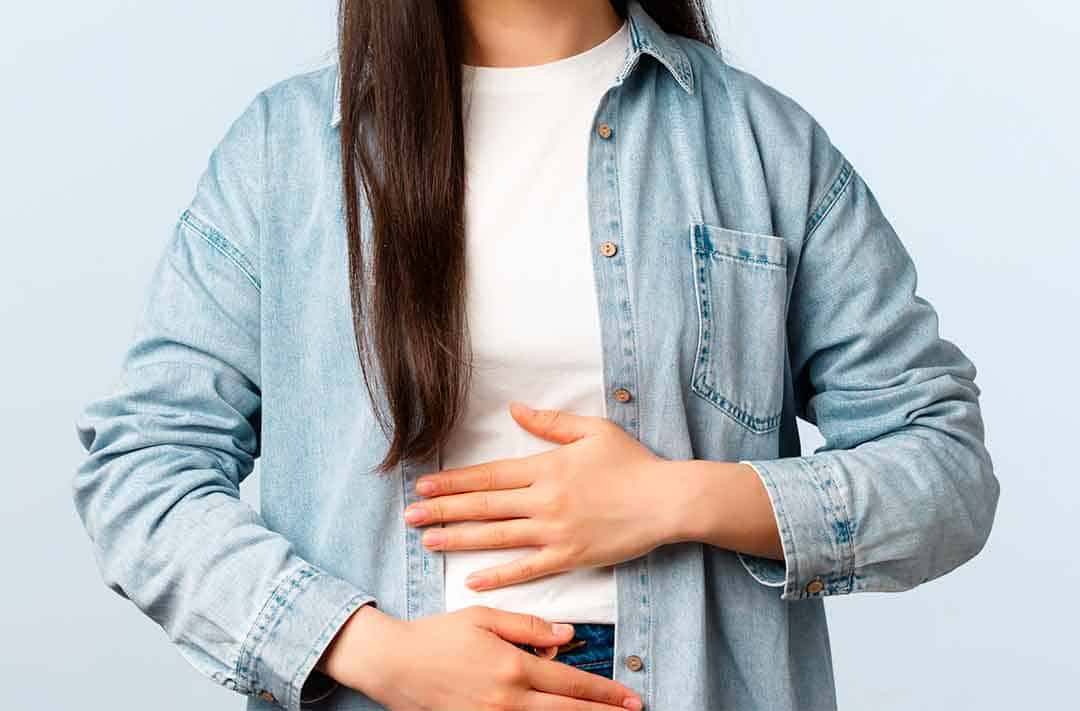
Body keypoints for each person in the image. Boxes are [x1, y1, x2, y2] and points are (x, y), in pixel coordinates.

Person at [71, 1, 1001, 709]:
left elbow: (946, 470)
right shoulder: (287, 155)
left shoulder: (764, 148)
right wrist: (377, 653)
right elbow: (142, 472)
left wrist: (680, 498)